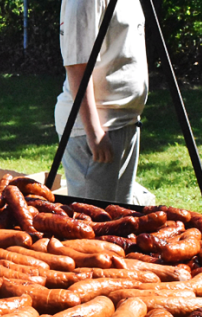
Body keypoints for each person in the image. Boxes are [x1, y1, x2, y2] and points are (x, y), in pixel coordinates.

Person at [54, 0, 150, 205]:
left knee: (120, 220)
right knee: (92, 224)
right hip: (96, 128)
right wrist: (94, 132)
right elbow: (77, 66)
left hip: (125, 121)